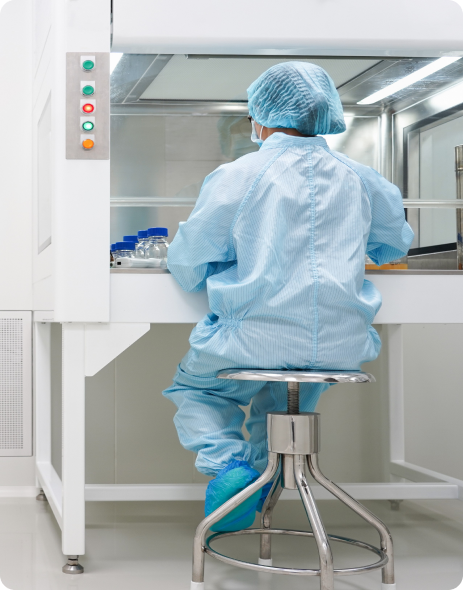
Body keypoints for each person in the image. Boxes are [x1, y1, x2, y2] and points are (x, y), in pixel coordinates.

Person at [163, 61, 414, 532]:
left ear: (261, 114)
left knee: (196, 389)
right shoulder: (363, 177)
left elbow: (189, 261)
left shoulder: (240, 174)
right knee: (283, 404)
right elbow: (393, 244)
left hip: (250, 340)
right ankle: (262, 479)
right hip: (339, 349)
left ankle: (230, 471)